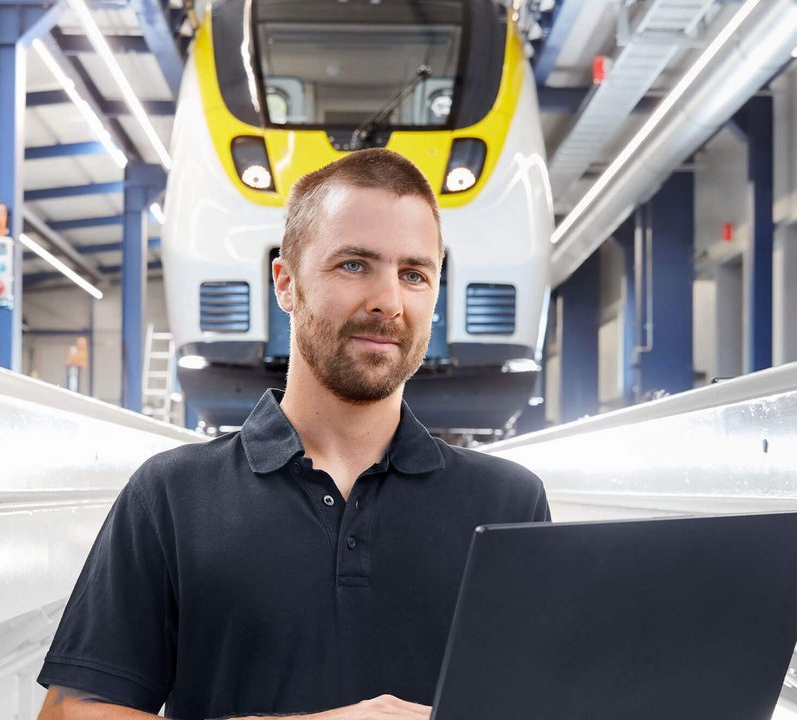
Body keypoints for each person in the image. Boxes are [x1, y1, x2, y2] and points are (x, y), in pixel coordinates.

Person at [35, 149, 550, 720]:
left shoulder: (509, 505)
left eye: (414, 274)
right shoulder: (173, 496)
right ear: (285, 282)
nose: (389, 301)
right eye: (354, 264)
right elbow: (70, 713)